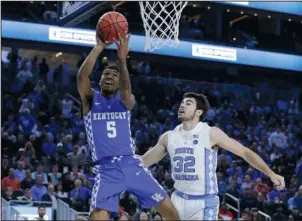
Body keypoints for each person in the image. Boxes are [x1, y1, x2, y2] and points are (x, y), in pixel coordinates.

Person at [77, 33, 180, 221]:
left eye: (114, 76)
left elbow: (126, 93)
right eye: (106, 74)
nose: (109, 77)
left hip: (131, 163)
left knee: (172, 213)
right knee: (98, 217)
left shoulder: (125, 101)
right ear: (99, 82)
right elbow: (82, 76)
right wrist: (99, 47)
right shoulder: (91, 100)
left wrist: (122, 60)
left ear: (118, 83)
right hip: (107, 168)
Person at [142, 92, 285, 220]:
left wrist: (271, 173)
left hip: (203, 203)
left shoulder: (210, 133)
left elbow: (244, 152)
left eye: (188, 103)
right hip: (177, 199)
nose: (182, 105)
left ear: (198, 112)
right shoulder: (168, 137)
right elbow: (143, 161)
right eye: (182, 103)